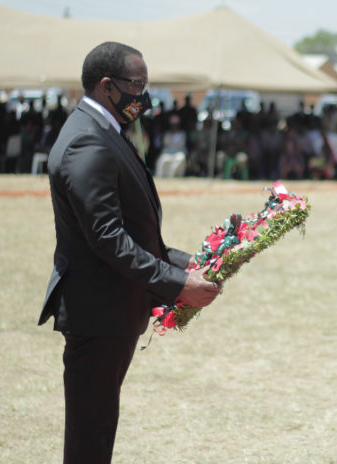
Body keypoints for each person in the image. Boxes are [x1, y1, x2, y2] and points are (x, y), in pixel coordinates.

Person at [38, 42, 221, 464]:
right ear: (107, 86)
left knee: (97, 430)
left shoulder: (101, 130)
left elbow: (127, 232)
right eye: (136, 85)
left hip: (111, 309)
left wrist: (184, 263)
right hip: (99, 312)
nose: (143, 95)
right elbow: (107, 237)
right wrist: (177, 284)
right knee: (90, 437)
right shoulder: (88, 140)